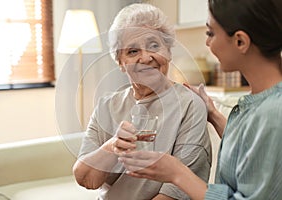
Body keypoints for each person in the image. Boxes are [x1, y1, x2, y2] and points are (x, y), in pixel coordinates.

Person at [119, 0, 282, 199]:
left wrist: (177, 172)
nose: (207, 43)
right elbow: (254, 152)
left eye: (210, 33)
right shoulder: (258, 104)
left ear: (240, 41)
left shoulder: (274, 113)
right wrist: (213, 115)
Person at [73, 3, 212, 200]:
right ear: (120, 63)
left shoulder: (189, 105)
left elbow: (176, 194)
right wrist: (112, 146)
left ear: (168, 51)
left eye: (154, 46)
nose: (146, 57)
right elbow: (86, 178)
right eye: (132, 51)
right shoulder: (106, 106)